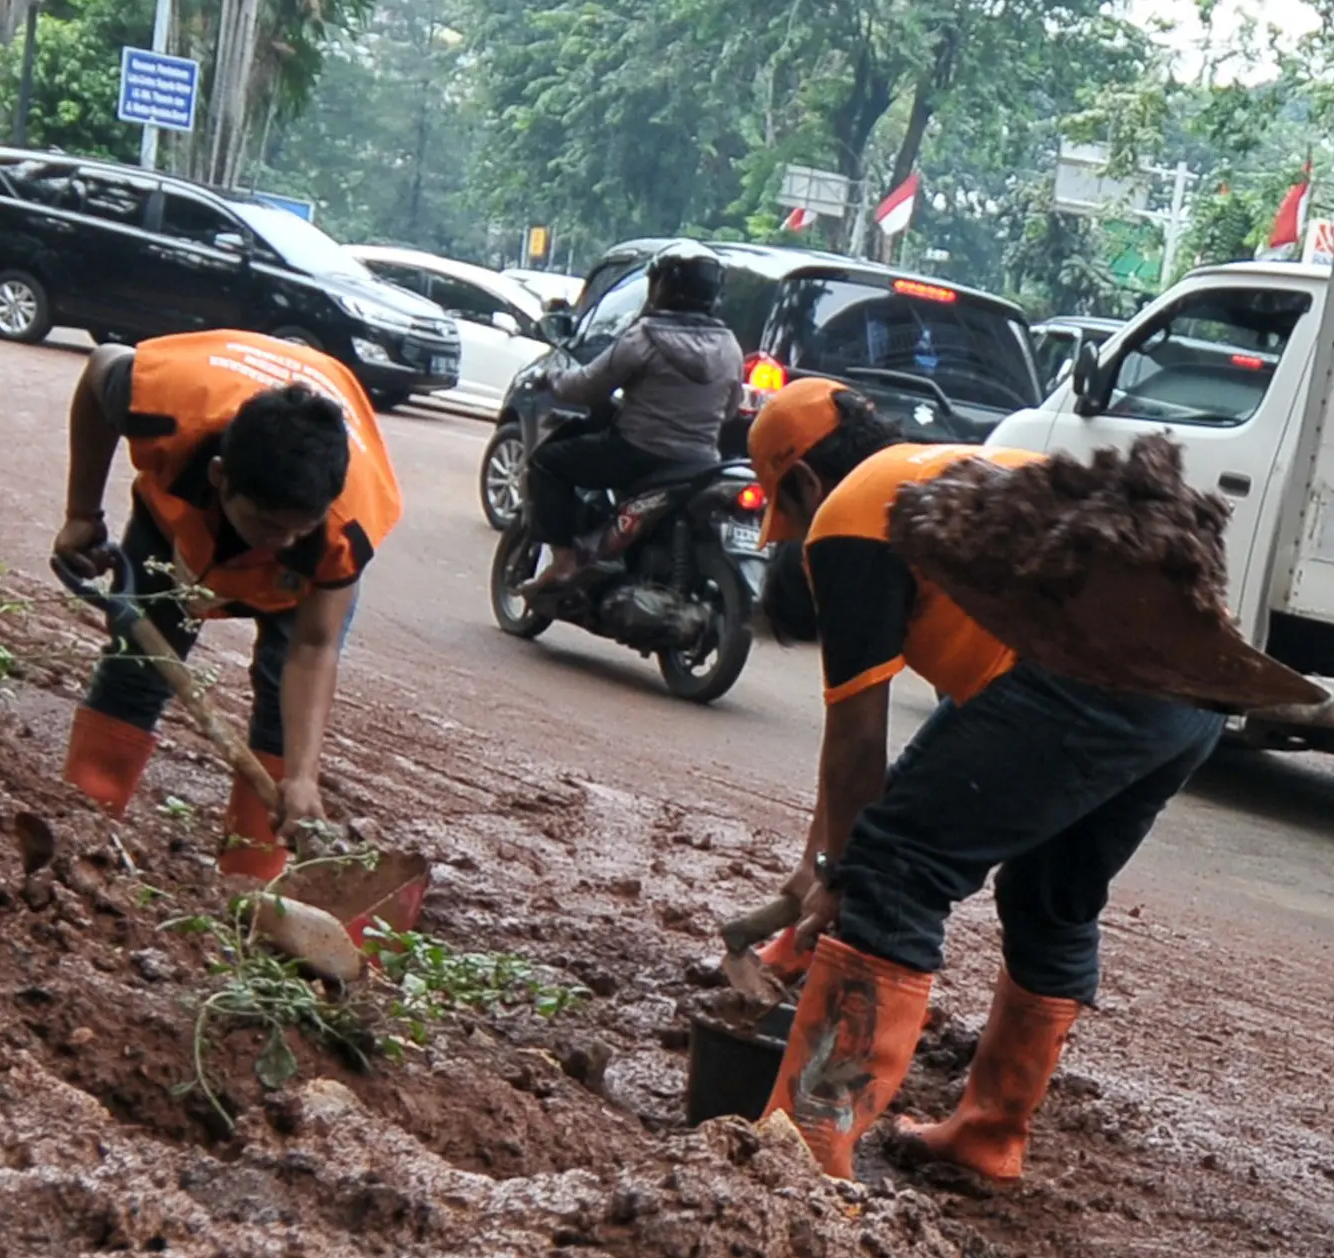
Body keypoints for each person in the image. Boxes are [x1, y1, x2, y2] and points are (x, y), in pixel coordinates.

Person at [749, 380, 1224, 1185]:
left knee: (896, 866)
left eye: (786, 514)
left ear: (798, 483)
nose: (795, 536)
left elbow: (859, 741)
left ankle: (803, 1152)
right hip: (1199, 687)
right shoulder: (974, 465)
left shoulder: (849, 515)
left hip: (1082, 681)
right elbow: (964, 738)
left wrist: (845, 876)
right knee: (1051, 895)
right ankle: (990, 1134)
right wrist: (816, 868)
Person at [53, 331, 405, 881]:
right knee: (138, 665)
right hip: (176, 521)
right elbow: (100, 367)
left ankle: (251, 882)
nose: (281, 543)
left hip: (304, 577)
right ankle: (81, 821)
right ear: (220, 479)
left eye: (298, 529)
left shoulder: (342, 528)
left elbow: (314, 649)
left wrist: (304, 776)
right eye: (267, 525)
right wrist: (82, 512)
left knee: (279, 700)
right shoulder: (163, 404)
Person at [519, 242, 745, 595]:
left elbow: (586, 388)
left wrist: (553, 379)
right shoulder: (729, 345)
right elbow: (730, 410)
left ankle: (564, 560)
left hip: (636, 453)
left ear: (662, 286)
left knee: (547, 462)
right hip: (700, 461)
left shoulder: (645, 337)